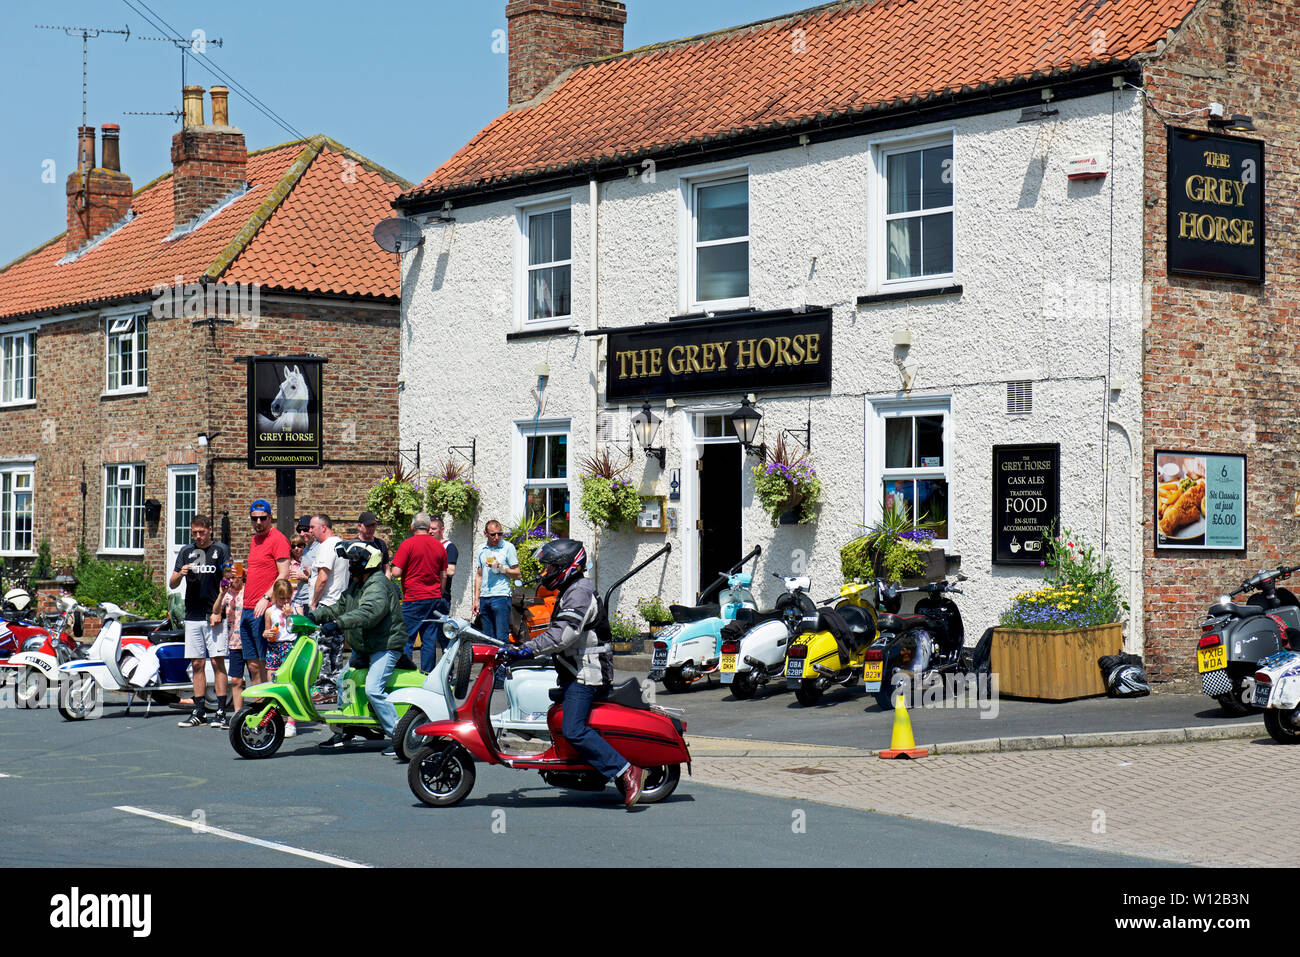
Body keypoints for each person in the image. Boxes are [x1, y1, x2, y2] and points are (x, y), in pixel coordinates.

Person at [507, 539, 643, 809]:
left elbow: (564, 634)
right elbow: (557, 629)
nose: (545, 572)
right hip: (575, 669)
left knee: (573, 728)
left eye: (550, 567)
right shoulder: (571, 588)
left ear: (567, 567)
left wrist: (528, 650)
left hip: (588, 674)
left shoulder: (579, 591)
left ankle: (627, 770)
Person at [311, 541, 405, 753]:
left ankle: (400, 736)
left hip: (385, 645)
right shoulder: (357, 584)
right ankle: (346, 730)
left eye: (354, 561)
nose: (350, 565)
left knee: (373, 689)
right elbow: (340, 606)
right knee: (344, 681)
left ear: (366, 563)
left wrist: (337, 624)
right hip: (364, 646)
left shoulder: (378, 584)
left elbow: (369, 613)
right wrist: (314, 616)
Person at [171, 515, 231, 729]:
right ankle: (199, 711)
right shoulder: (187, 552)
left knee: (217, 662)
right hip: (193, 614)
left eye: (202, 532)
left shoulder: (220, 549)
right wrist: (181, 573)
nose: (198, 536)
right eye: (194, 533)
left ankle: (222, 711)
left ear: (210, 530)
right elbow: (172, 583)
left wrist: (219, 608)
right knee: (197, 663)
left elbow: (228, 578)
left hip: (214, 614)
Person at [242, 499, 291, 691]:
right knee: (252, 664)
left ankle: (271, 710)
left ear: (270, 518)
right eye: (255, 519)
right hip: (247, 606)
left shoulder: (277, 538)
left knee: (265, 663)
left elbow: (284, 573)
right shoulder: (255, 540)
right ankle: (259, 706)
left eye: (263, 518)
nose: (259, 522)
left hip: (264, 607)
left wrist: (265, 598)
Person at [391, 512, 448, 673]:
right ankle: (427, 674)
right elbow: (443, 574)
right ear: (429, 527)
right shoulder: (439, 546)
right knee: (429, 639)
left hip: (414, 597)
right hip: (434, 597)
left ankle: (405, 672)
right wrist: (439, 592)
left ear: (412, 526)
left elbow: (396, 572)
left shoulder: (408, 544)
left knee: (406, 637)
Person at [308, 513, 350, 705]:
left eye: (312, 527)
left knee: (323, 649)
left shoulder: (326, 546)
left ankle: (325, 690)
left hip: (327, 604)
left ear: (323, 527)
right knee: (336, 649)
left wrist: (314, 603)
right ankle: (334, 688)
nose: (310, 531)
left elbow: (323, 577)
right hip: (341, 604)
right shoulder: (342, 544)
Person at [262, 579, 300, 737]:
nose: (285, 602)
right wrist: (267, 634)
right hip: (274, 647)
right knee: (272, 683)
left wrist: (291, 616)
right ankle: (272, 719)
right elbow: (266, 632)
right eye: (281, 598)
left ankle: (291, 721)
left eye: (287, 598)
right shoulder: (270, 612)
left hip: (290, 647)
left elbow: (302, 629)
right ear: (275, 598)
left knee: (289, 684)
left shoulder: (296, 609)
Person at [472, 520, 519, 643]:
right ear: (485, 533)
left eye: (500, 534)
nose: (497, 537)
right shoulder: (481, 548)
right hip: (485, 596)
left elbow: (517, 574)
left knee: (501, 637)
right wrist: (476, 600)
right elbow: (479, 575)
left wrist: (500, 568)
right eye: (493, 534)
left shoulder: (508, 547)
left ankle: (503, 662)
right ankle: (491, 662)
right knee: (487, 638)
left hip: (501, 596)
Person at [211, 571, 244, 711]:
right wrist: (221, 594)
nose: (232, 580)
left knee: (256, 675)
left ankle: (259, 711)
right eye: (229, 578)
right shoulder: (227, 594)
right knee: (236, 680)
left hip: (249, 640)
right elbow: (216, 610)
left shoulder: (247, 590)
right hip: (234, 641)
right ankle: (238, 715)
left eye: (235, 577)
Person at [292, 515, 317, 610]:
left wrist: (304, 577)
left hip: (310, 601)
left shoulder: (320, 548)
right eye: (299, 530)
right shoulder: (306, 549)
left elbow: (323, 578)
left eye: (305, 529)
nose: (302, 534)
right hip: (299, 599)